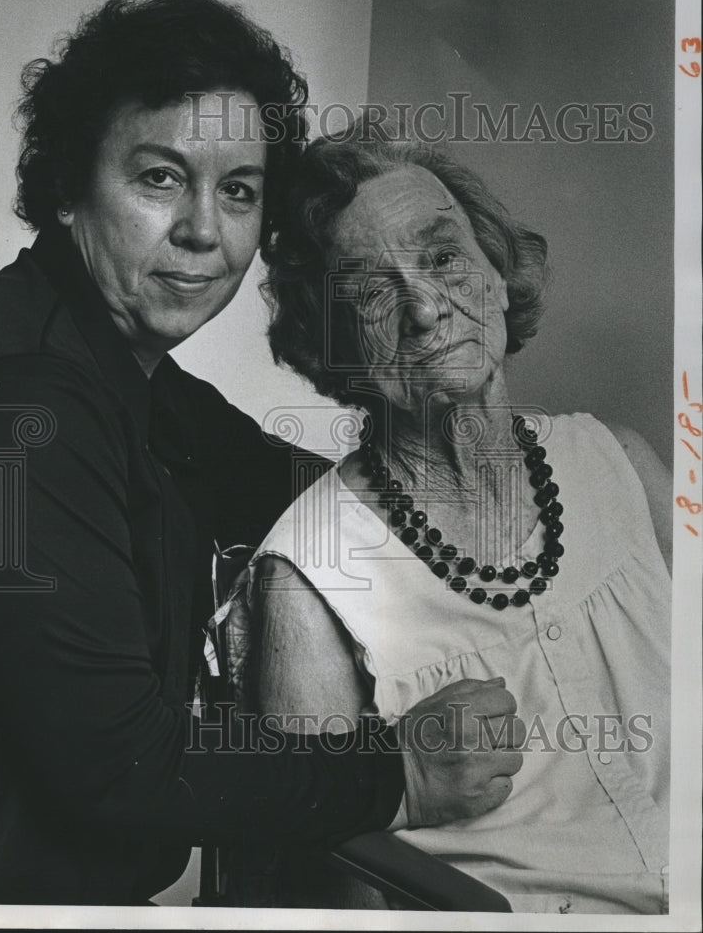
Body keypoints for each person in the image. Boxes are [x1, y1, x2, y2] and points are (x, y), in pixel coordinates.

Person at [0, 0, 524, 906]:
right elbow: (121, 770)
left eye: (240, 191)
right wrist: (400, 776)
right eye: (160, 178)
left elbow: (297, 485)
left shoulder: (118, 370)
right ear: (65, 187)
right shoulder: (27, 402)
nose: (205, 233)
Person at [240, 134, 672, 913]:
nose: (426, 306)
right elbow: (328, 881)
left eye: (443, 258)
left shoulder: (623, 466)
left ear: (499, 277)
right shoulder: (307, 580)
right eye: (370, 292)